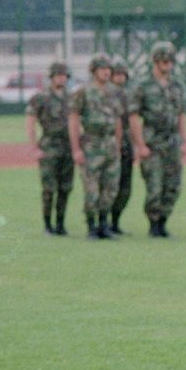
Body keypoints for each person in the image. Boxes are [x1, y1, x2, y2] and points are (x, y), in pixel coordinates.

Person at [128, 41, 186, 238]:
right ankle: (154, 224)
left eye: (170, 60)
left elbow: (180, 114)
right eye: (163, 60)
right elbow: (134, 116)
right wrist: (140, 145)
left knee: (174, 185)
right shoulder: (143, 85)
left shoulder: (177, 85)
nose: (167, 64)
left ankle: (164, 221)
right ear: (155, 61)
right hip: (152, 142)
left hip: (172, 142)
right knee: (155, 186)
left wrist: (184, 139)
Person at [68, 52, 122, 239]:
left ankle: (104, 225)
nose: (106, 72)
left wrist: (118, 144)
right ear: (94, 71)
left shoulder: (114, 91)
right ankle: (92, 226)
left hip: (110, 144)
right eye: (102, 69)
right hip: (91, 144)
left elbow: (117, 120)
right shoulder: (83, 91)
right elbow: (74, 119)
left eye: (108, 69)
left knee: (111, 188)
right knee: (92, 190)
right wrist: (76, 149)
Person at [25, 60, 74, 235]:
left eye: (64, 76)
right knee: (48, 189)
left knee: (65, 188)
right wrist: (34, 147)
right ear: (52, 77)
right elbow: (30, 122)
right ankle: (48, 224)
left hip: (68, 147)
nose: (61, 79)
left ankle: (60, 223)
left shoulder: (72, 97)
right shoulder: (41, 98)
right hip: (49, 147)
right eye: (58, 75)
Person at [108, 56, 134, 234]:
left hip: (126, 145)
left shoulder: (129, 95)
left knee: (125, 187)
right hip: (106, 145)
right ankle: (102, 222)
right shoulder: (103, 94)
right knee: (108, 186)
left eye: (122, 74)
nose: (120, 77)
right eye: (116, 74)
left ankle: (115, 222)